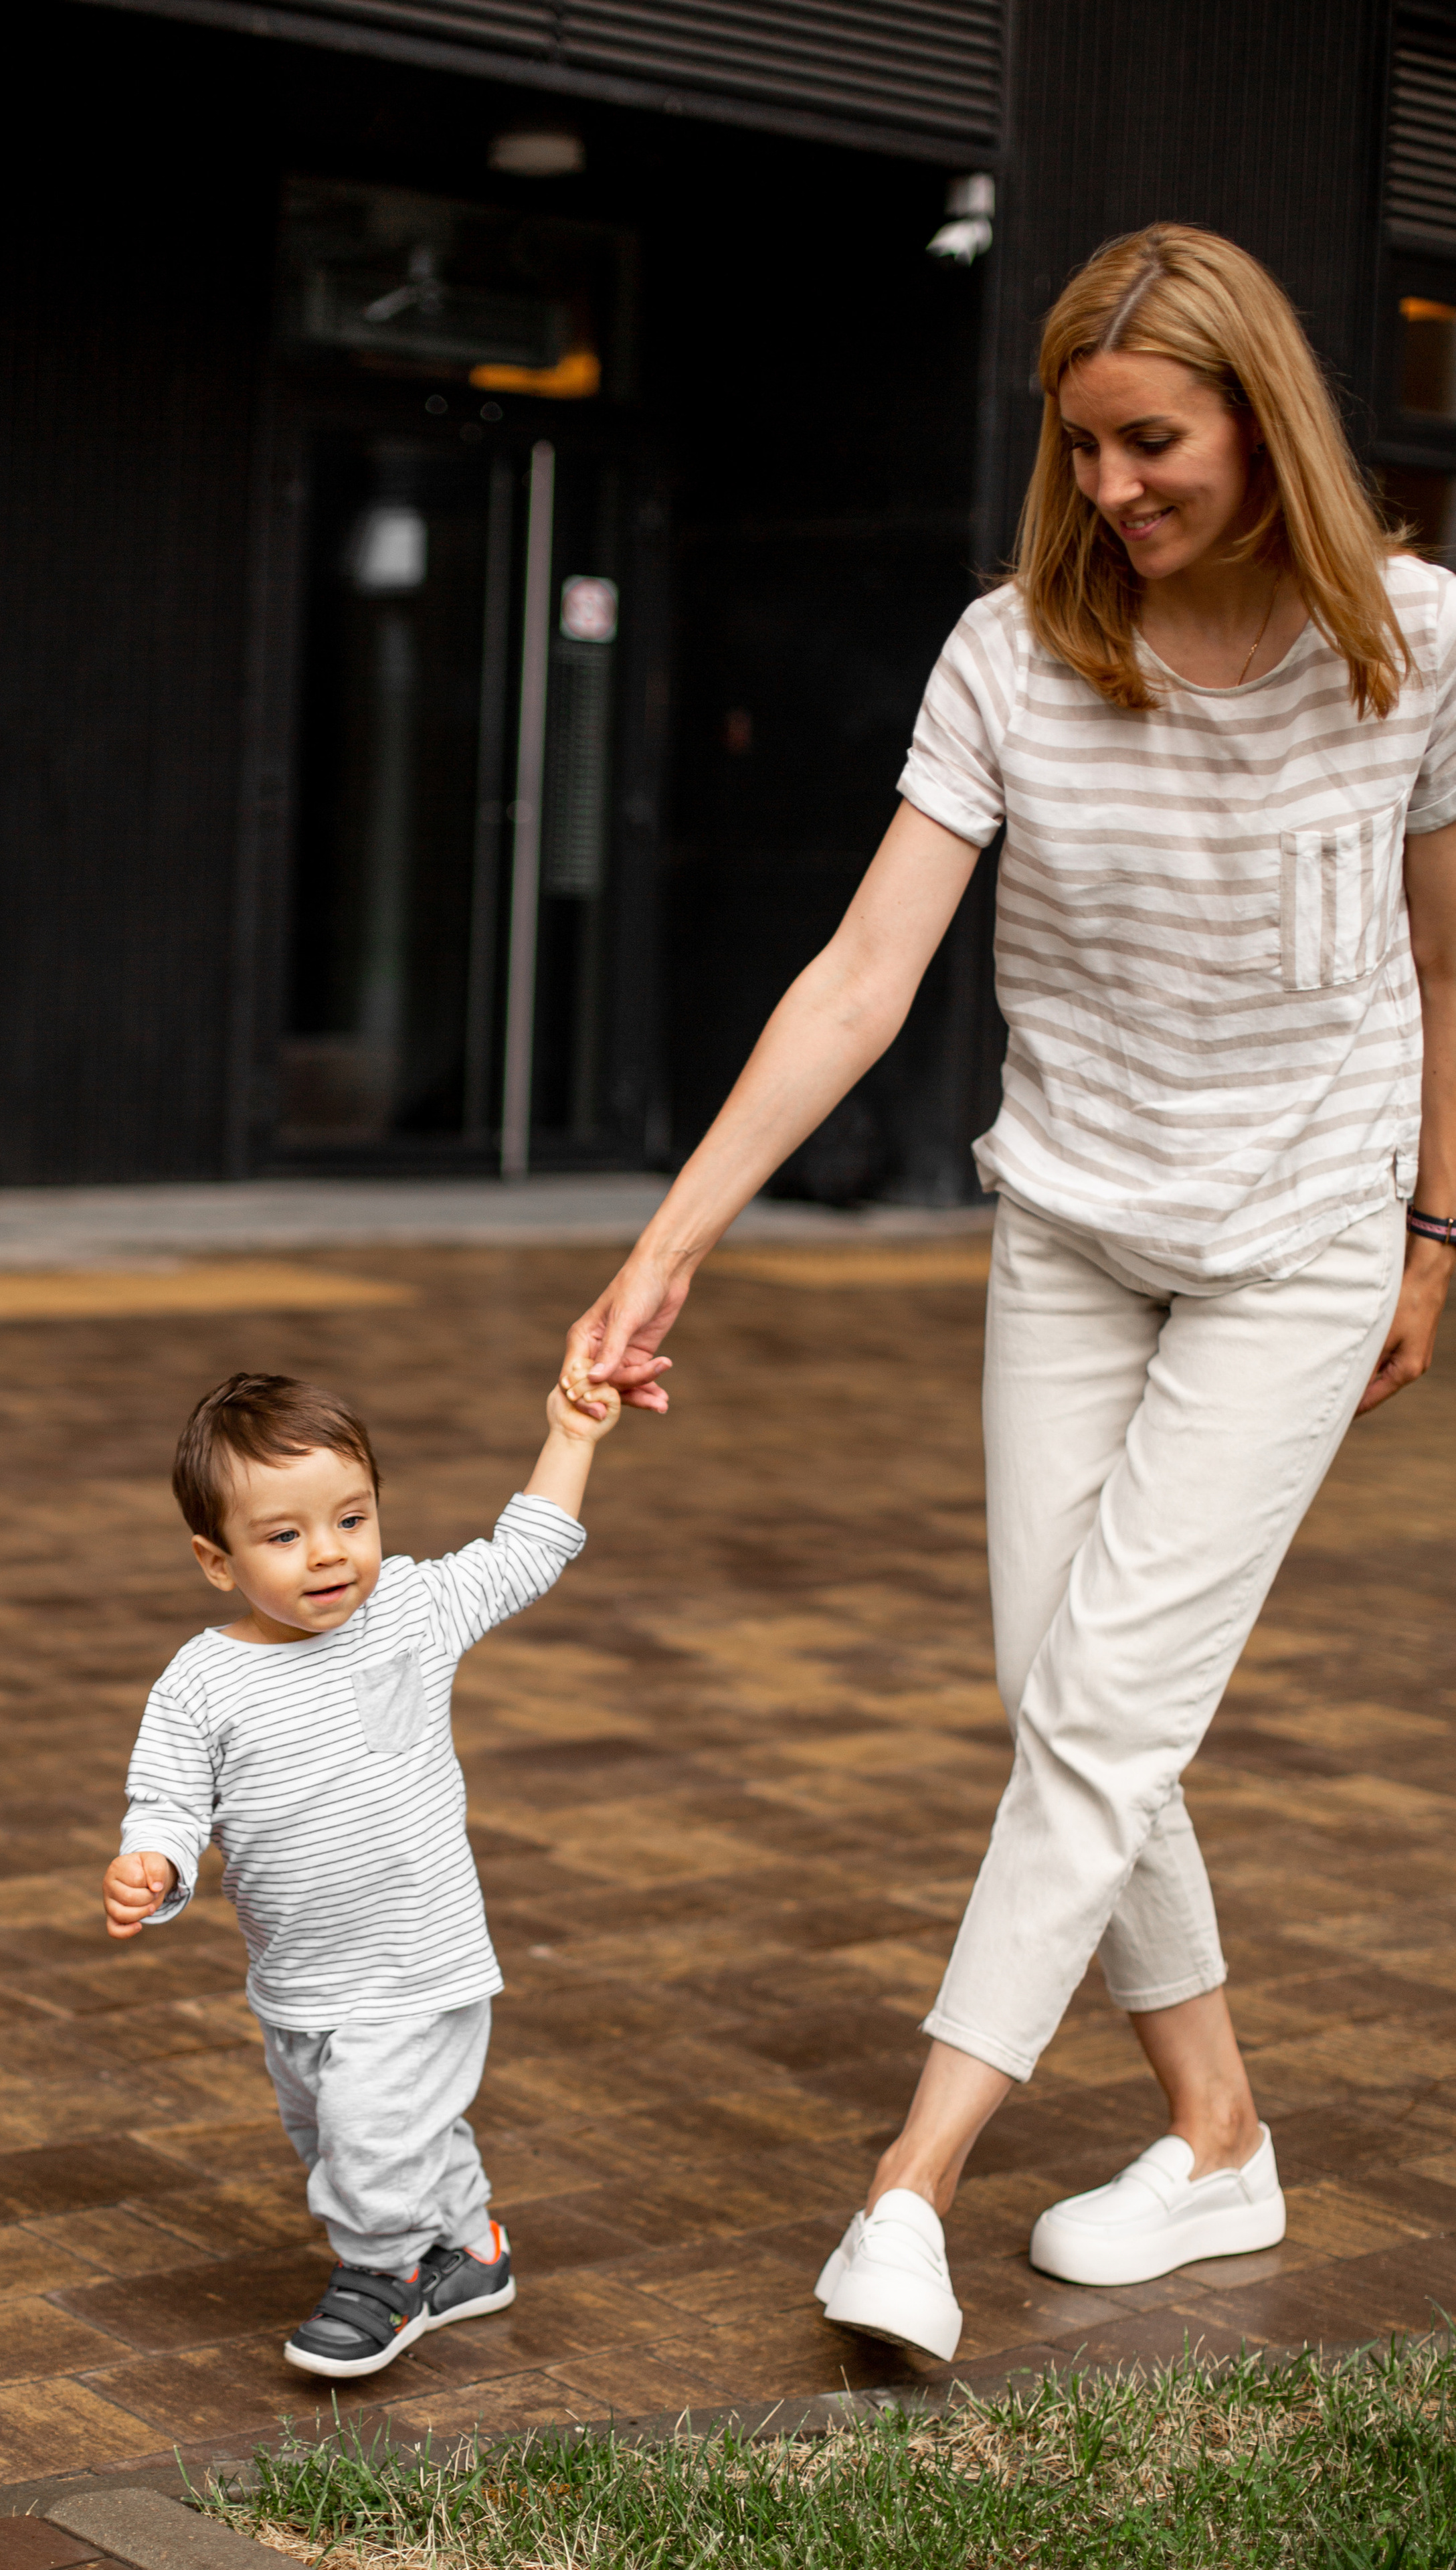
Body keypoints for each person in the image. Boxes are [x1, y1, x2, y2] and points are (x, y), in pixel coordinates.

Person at [559, 225, 1456, 2364]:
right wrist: (669, 1244)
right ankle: (1217, 2136)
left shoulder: (1417, 643)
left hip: (1304, 1234)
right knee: (1063, 1689)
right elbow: (865, 974)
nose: (1114, 487)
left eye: (1154, 442)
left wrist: (1438, 1233)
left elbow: (1450, 960)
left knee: (1107, 1711)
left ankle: (910, 2186)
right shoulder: (1017, 654)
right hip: (1069, 1219)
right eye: (1085, 448)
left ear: (1262, 420)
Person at [100, 1365, 620, 2380]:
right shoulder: (201, 1681)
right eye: (284, 1536)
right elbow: (167, 1798)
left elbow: (526, 1551)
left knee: (373, 2137)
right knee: (345, 2136)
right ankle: (469, 2252)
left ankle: (385, 2273)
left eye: (351, 1519)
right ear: (217, 1561)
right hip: (298, 1981)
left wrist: (572, 1436)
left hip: (417, 1962)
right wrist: (152, 1861)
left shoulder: (413, 1611)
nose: (330, 1553)